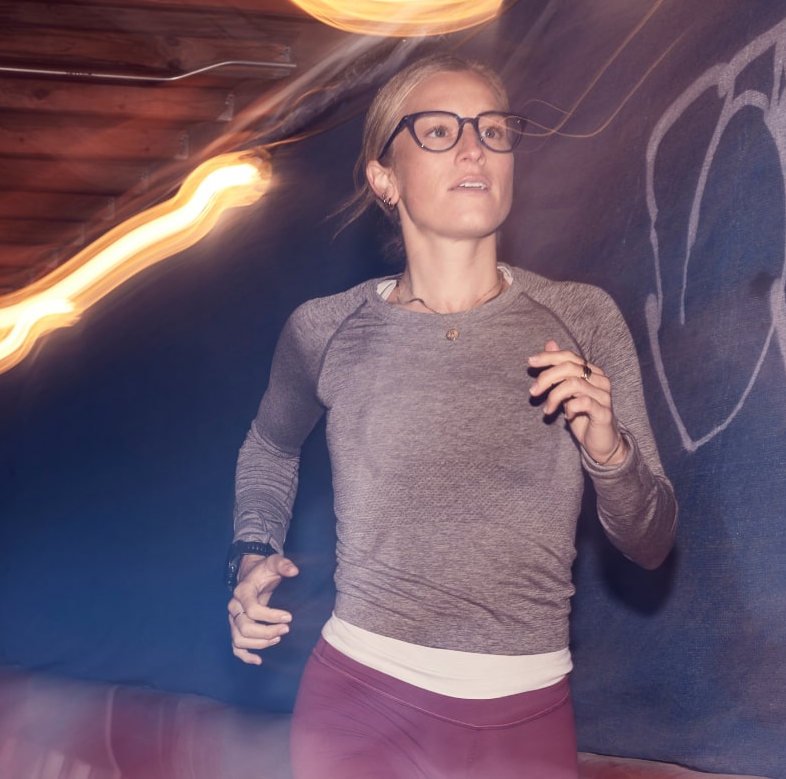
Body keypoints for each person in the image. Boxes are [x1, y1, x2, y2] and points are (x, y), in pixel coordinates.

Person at [225, 53, 678, 779]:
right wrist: (251, 550)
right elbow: (270, 446)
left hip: (524, 713)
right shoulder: (325, 330)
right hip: (360, 702)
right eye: (439, 131)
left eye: (494, 131)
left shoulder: (582, 318)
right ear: (385, 178)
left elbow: (652, 543)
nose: (474, 148)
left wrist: (609, 447)